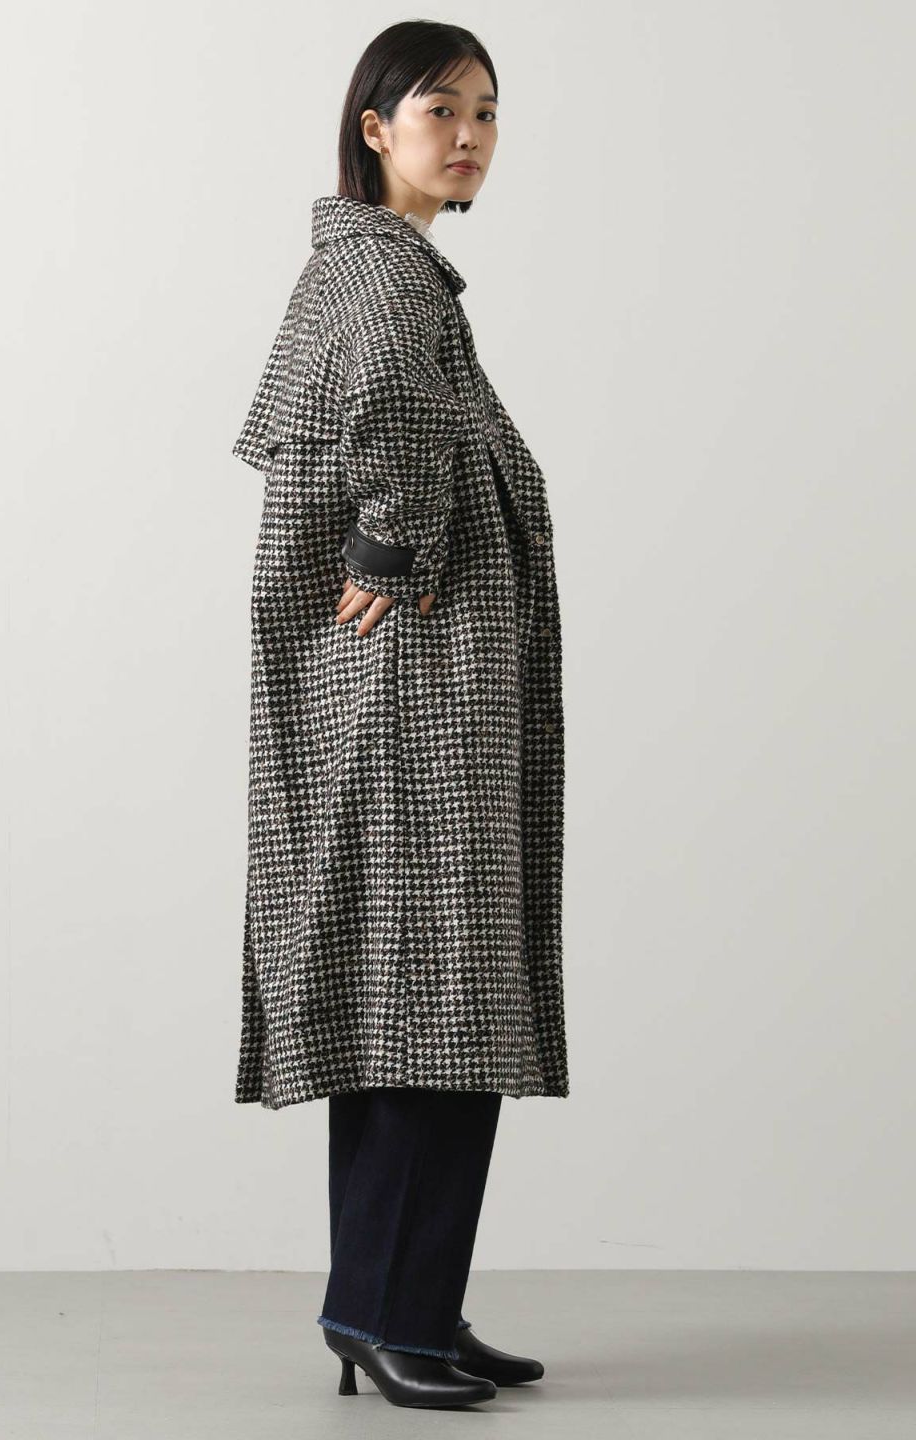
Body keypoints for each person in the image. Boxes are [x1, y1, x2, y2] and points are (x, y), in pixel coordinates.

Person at [231, 21, 568, 1410]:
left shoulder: (389, 268)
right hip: (414, 692)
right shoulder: (380, 278)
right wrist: (390, 539)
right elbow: (390, 422)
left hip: (422, 688)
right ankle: (389, 1313)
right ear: (374, 127)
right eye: (440, 109)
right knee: (435, 995)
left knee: (421, 1000)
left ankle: (398, 1304)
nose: (470, 135)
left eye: (487, 111)